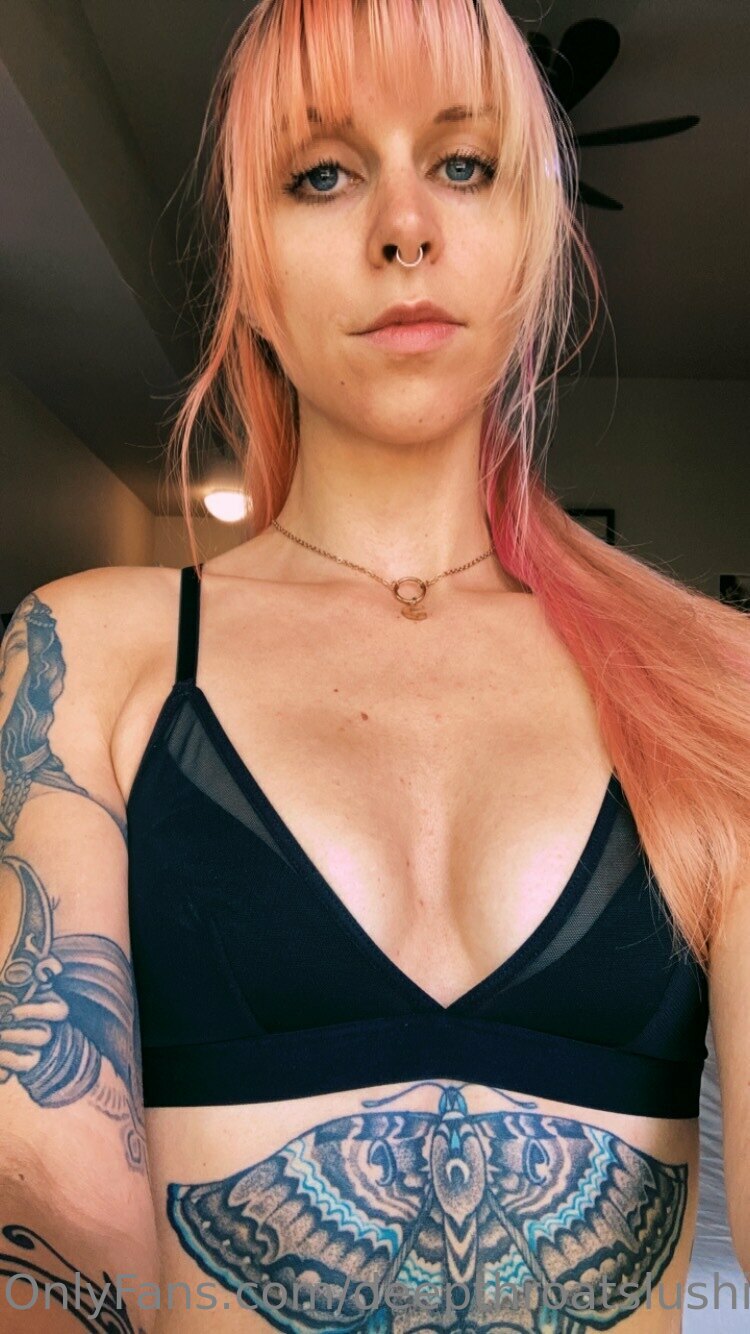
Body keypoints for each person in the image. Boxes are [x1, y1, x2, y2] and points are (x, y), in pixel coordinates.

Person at [1, 2, 748, 1329]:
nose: (404, 226)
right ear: (251, 266)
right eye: (323, 174)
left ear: (534, 240)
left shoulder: (717, 685)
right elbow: (52, 1255)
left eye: (462, 164)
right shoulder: (92, 658)